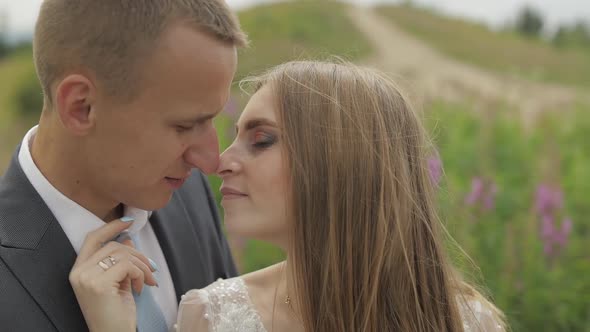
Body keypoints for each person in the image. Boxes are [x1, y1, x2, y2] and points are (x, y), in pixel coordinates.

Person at [71, 61, 506, 331]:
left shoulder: (470, 322)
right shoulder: (211, 317)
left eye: (261, 140)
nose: (220, 161)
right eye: (235, 136)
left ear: (340, 159)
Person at [0, 1, 248, 331]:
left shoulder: (188, 193)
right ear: (81, 107)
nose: (209, 161)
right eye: (184, 126)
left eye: (212, 121)